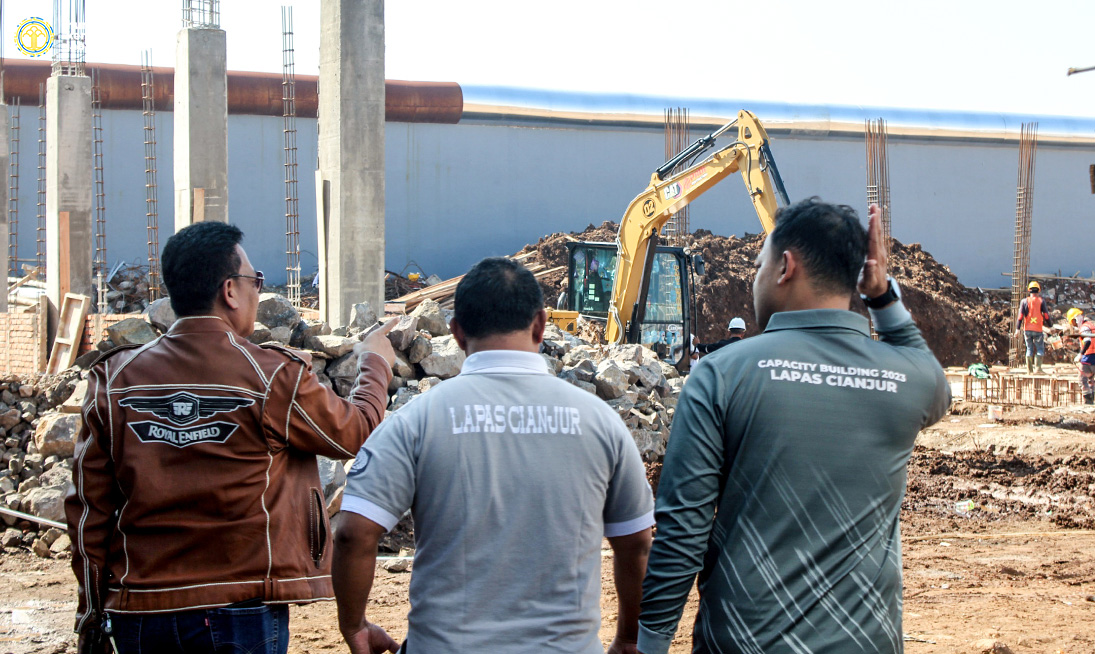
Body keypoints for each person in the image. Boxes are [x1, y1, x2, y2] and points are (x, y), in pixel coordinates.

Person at [65, 221, 397, 654]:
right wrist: (375, 364)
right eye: (255, 281)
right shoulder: (273, 374)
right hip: (239, 612)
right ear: (230, 290)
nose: (259, 292)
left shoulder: (113, 379)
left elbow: (89, 512)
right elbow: (354, 433)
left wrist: (92, 616)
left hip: (139, 611)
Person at [638, 199, 950, 654]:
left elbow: (683, 529)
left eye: (759, 264)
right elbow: (934, 378)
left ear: (786, 267)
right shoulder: (908, 379)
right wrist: (881, 297)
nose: (755, 277)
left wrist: (647, 645)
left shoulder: (721, 375)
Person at [333, 256, 655, 654]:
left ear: (456, 332)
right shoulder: (601, 422)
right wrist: (626, 638)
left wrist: (355, 625)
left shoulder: (415, 421)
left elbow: (352, 534)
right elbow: (636, 542)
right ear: (540, 325)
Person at [1015, 280, 1051, 374]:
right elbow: (1046, 315)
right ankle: (1038, 369)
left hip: (1027, 329)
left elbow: (1020, 316)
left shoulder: (1024, 301)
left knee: (1029, 348)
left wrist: (1017, 329)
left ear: (1029, 290)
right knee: (1039, 348)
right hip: (1038, 329)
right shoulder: (1041, 301)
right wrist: (1051, 326)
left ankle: (1029, 370)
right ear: (1038, 290)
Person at [1066, 307, 1095, 404]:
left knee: (1082, 379)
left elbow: (1087, 341)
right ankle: (1092, 400)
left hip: (1088, 357)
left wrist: (1081, 354)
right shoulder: (1090, 325)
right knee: (1091, 379)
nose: (1073, 325)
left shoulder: (1084, 328)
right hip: (1093, 356)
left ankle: (1088, 401)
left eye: (1073, 322)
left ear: (1075, 319)